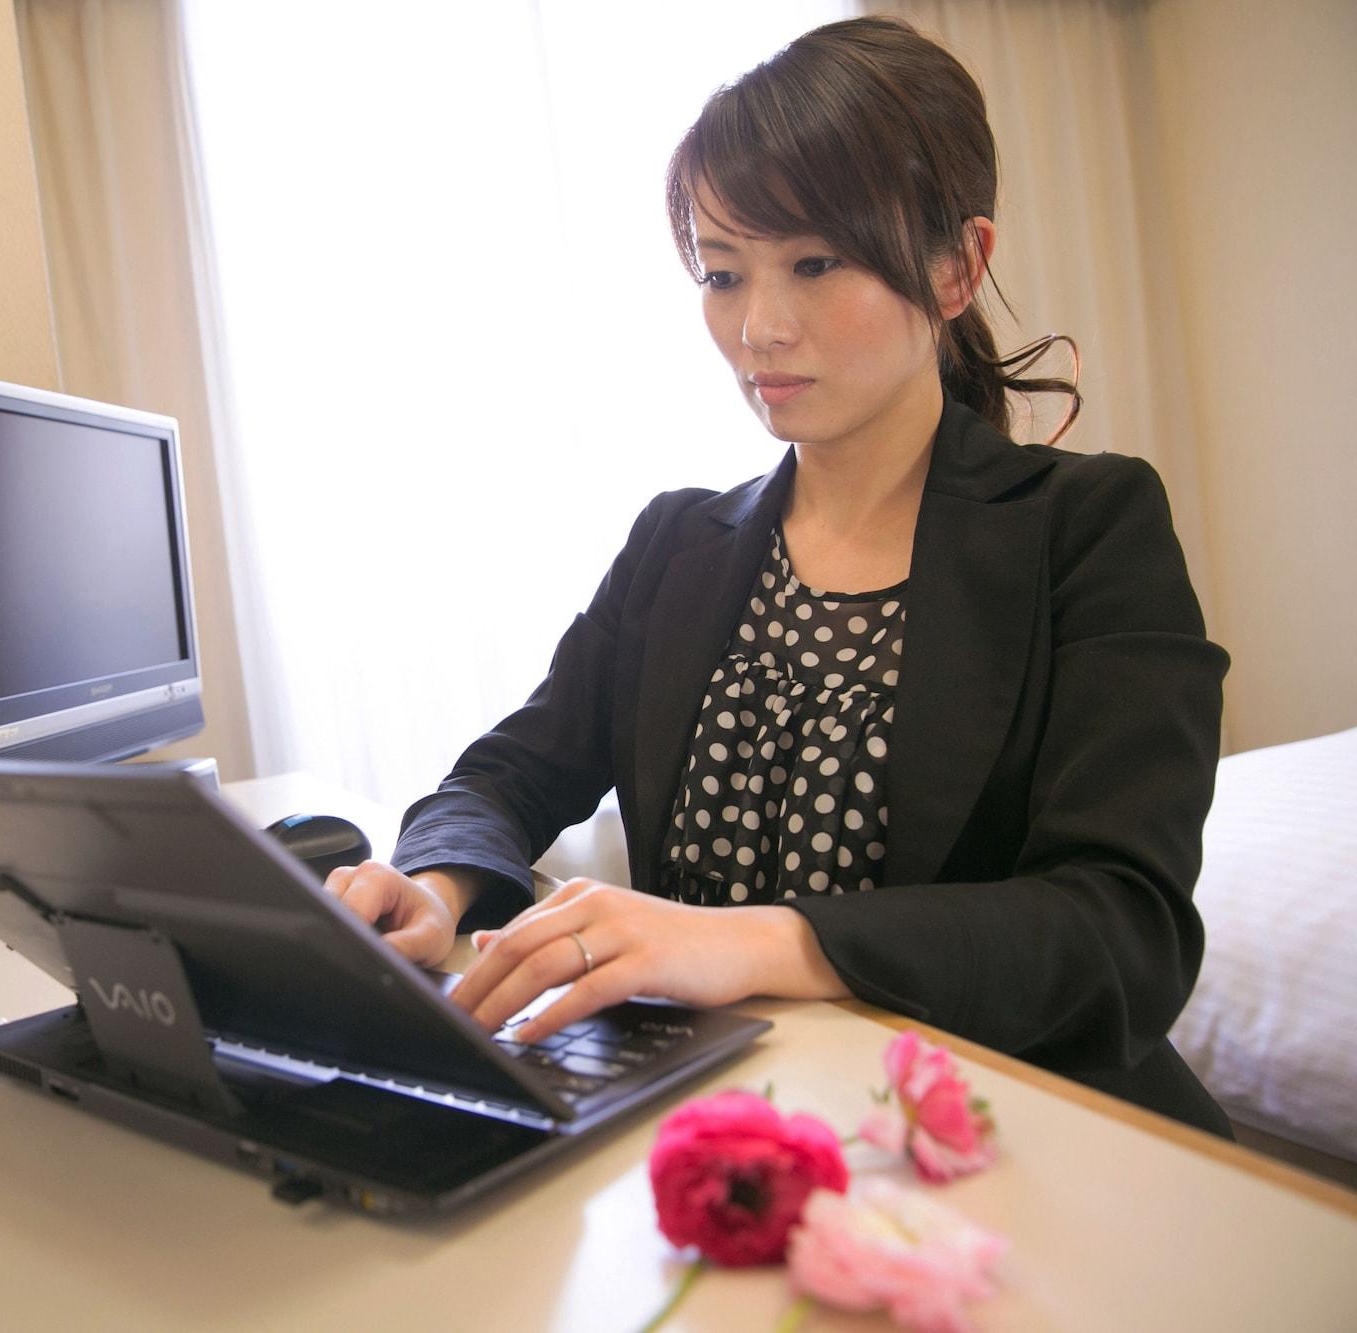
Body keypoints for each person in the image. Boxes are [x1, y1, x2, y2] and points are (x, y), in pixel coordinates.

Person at [323, 16, 1233, 1136]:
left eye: (814, 262)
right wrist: (435, 884)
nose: (757, 327)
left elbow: (1120, 933)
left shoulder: (1086, 529)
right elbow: (506, 775)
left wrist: (755, 938)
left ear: (957, 266)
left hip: (1007, 1131)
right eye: (720, 273)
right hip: (725, 1129)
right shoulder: (677, 548)